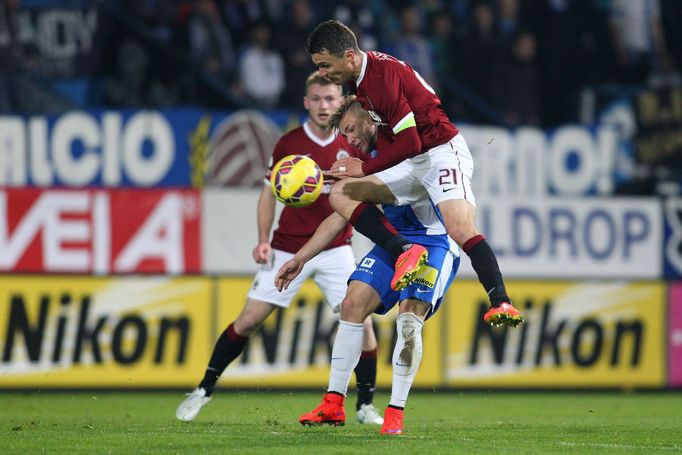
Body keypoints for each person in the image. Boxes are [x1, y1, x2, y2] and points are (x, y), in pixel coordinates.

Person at [176, 72, 383, 425]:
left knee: (362, 325)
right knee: (248, 320)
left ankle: (364, 406)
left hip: (336, 247)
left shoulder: (353, 142)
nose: (324, 106)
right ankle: (204, 389)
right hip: (288, 246)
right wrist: (262, 239)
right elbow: (268, 193)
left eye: (331, 99)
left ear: (341, 102)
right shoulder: (288, 143)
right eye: (317, 99)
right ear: (306, 102)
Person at [306, 20, 523, 327]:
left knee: (460, 227)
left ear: (350, 56)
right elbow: (391, 138)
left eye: (326, 65)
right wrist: (353, 173)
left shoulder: (380, 78)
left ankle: (501, 300)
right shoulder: (358, 84)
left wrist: (364, 168)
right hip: (412, 163)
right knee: (342, 193)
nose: (325, 73)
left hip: (441, 152)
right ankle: (402, 249)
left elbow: (411, 141)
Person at [275, 101, 461, 435]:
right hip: (394, 242)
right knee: (351, 303)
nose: (348, 138)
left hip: (434, 242)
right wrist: (299, 258)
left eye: (349, 129)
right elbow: (339, 215)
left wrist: (360, 173)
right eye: (341, 134)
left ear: (368, 118)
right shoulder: (370, 162)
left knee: (408, 322)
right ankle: (333, 403)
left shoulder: (405, 147)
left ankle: (395, 412)